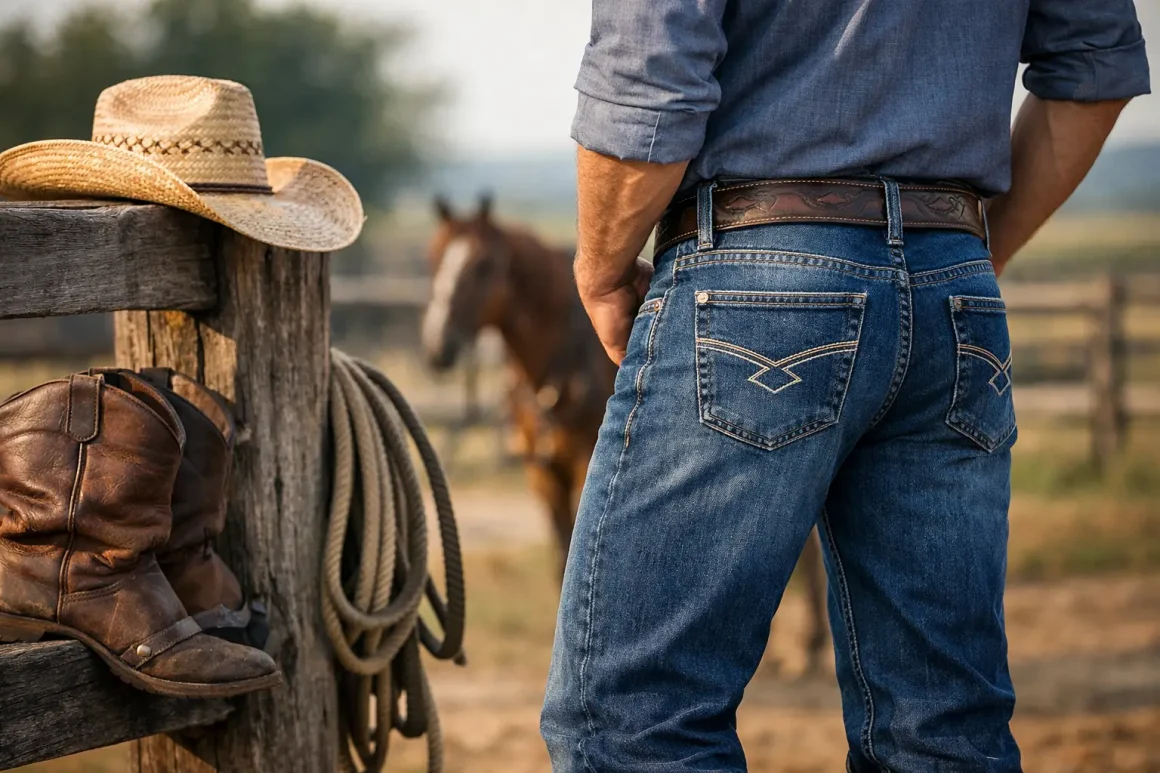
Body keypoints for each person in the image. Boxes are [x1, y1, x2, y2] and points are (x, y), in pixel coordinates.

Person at [540, 1, 1150, 770]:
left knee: (633, 718)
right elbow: (1095, 70)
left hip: (756, 273)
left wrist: (599, 267)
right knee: (942, 727)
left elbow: (651, 77)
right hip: (952, 283)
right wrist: (964, 260)